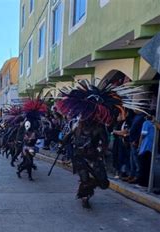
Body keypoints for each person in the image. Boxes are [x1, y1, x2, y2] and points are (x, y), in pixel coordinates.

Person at [56, 80, 147, 209]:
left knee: (104, 183)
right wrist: (61, 146)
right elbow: (67, 137)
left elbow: (105, 143)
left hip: (93, 157)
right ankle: (84, 195)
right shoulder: (77, 125)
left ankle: (86, 187)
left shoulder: (99, 128)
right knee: (85, 179)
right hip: (79, 157)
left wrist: (99, 152)